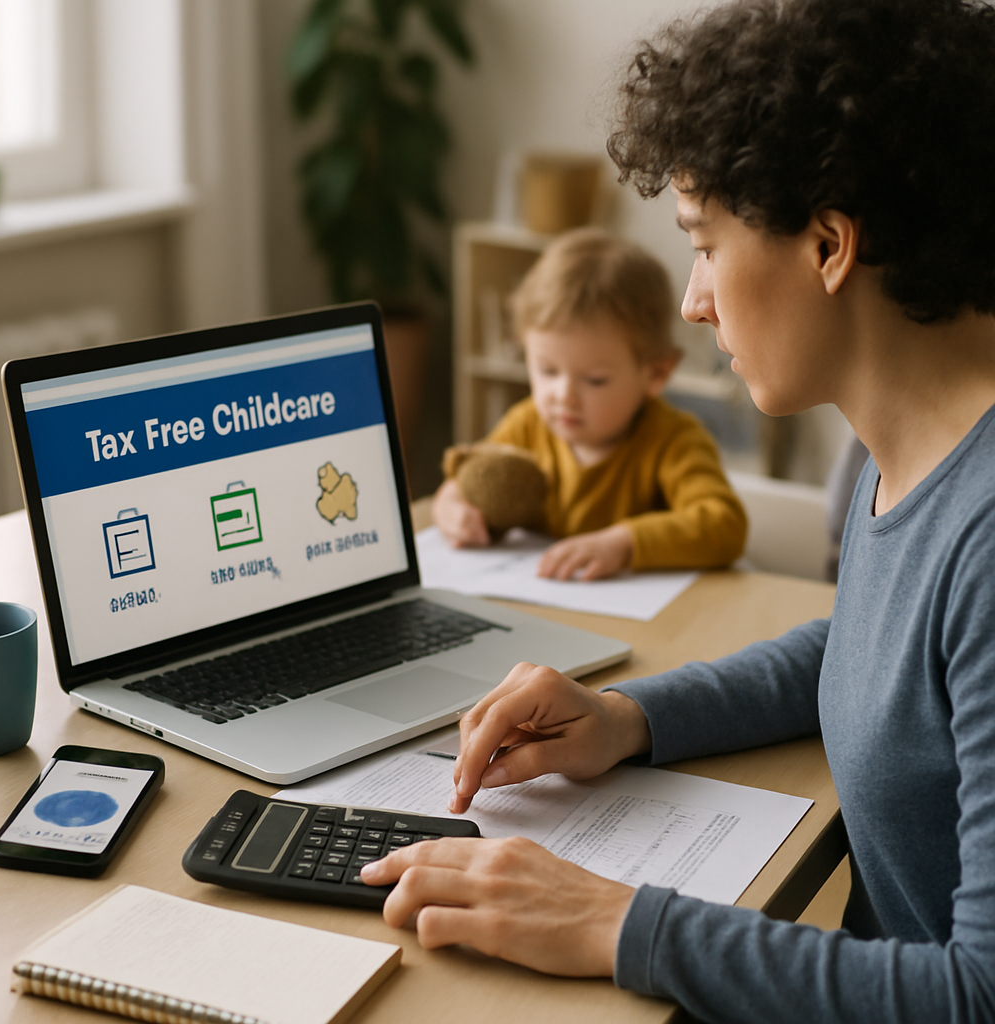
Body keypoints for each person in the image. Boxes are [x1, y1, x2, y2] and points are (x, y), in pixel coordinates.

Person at [359, 0, 995, 1020]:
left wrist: (613, 922)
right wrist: (631, 716)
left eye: (704, 243)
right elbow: (878, 652)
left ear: (828, 244)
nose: (695, 300)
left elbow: (978, 995)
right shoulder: (908, 459)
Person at [432, 227, 747, 580]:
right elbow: (475, 478)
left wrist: (624, 543)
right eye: (547, 371)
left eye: (595, 379)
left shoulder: (674, 440)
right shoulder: (527, 425)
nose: (563, 395)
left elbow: (725, 525)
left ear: (656, 374)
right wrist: (451, 501)